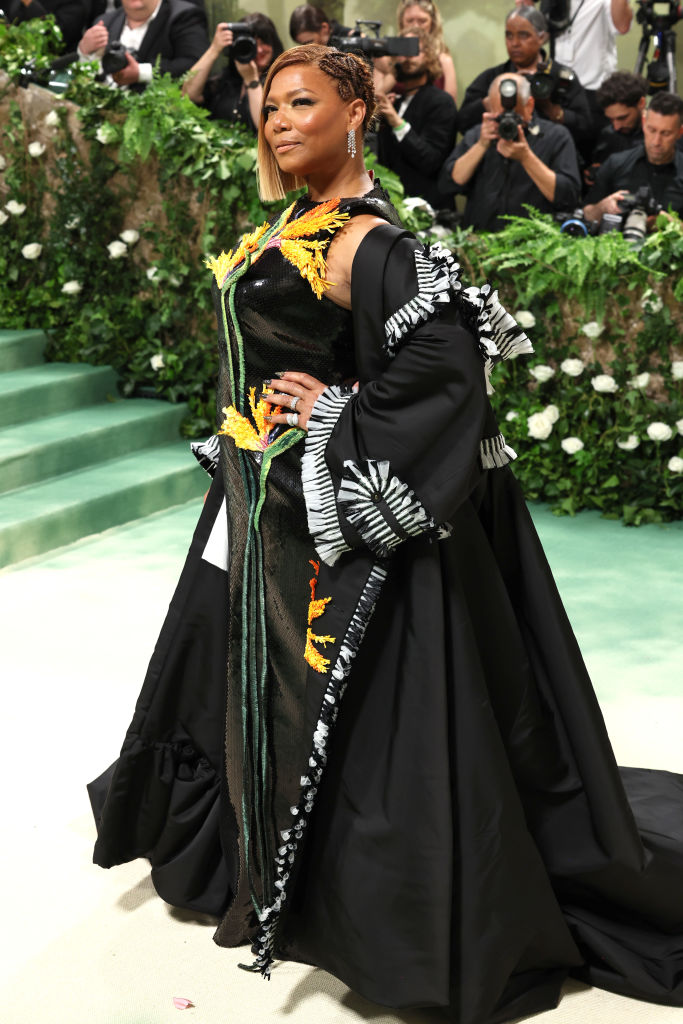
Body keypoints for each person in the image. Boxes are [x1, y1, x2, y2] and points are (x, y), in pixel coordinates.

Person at [87, 42, 683, 1024]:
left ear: (355, 111)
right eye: (269, 105)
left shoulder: (367, 237)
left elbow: (449, 369)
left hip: (341, 541)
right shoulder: (298, 220)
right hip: (264, 502)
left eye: (301, 103)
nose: (278, 121)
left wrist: (336, 413)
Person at [441, 72, 581, 231]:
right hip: (479, 242)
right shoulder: (478, 134)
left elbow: (567, 197)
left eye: (514, 114)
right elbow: (449, 184)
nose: (507, 120)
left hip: (534, 245)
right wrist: (481, 145)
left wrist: (526, 158)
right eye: (499, 114)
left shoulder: (556, 136)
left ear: (529, 105)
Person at [458, 7, 591, 148]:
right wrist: (494, 100)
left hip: (549, 155)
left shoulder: (561, 78)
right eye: (509, 36)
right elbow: (462, 123)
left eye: (523, 35)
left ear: (541, 38)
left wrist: (550, 109)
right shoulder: (493, 77)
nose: (514, 43)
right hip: (501, 152)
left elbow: (586, 129)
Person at [375, 29, 457, 209]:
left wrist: (397, 122)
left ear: (429, 56)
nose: (408, 57)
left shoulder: (442, 102)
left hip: (429, 210)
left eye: (414, 50)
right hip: (394, 208)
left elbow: (431, 161)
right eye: (402, 51)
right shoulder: (395, 103)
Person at [583, 91, 683, 222]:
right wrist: (602, 207)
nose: (656, 141)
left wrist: (669, 224)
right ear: (643, 123)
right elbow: (585, 213)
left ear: (679, 132)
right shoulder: (616, 163)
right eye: (651, 130)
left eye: (666, 133)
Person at [77, 0, 208, 90]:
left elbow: (194, 64)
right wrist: (84, 52)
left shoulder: (183, 16)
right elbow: (90, 78)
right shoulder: (105, 21)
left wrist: (140, 73)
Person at [183, 13, 283, 129]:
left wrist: (251, 80)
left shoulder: (280, 81)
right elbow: (188, 95)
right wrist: (214, 49)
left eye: (264, 42)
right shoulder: (223, 82)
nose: (259, 49)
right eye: (252, 44)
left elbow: (267, 127)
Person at [584, 70, 647, 185]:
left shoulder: (661, 137)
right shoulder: (608, 135)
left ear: (641, 103)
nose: (616, 127)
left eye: (623, 118)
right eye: (611, 119)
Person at [3, 0, 89, 52]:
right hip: (15, 50)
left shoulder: (76, 3)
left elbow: (57, 36)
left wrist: (30, 3)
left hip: (54, 65)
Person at [288, 3, 352, 45]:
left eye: (310, 42)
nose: (307, 49)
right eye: (303, 45)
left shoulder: (352, 41)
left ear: (324, 28)